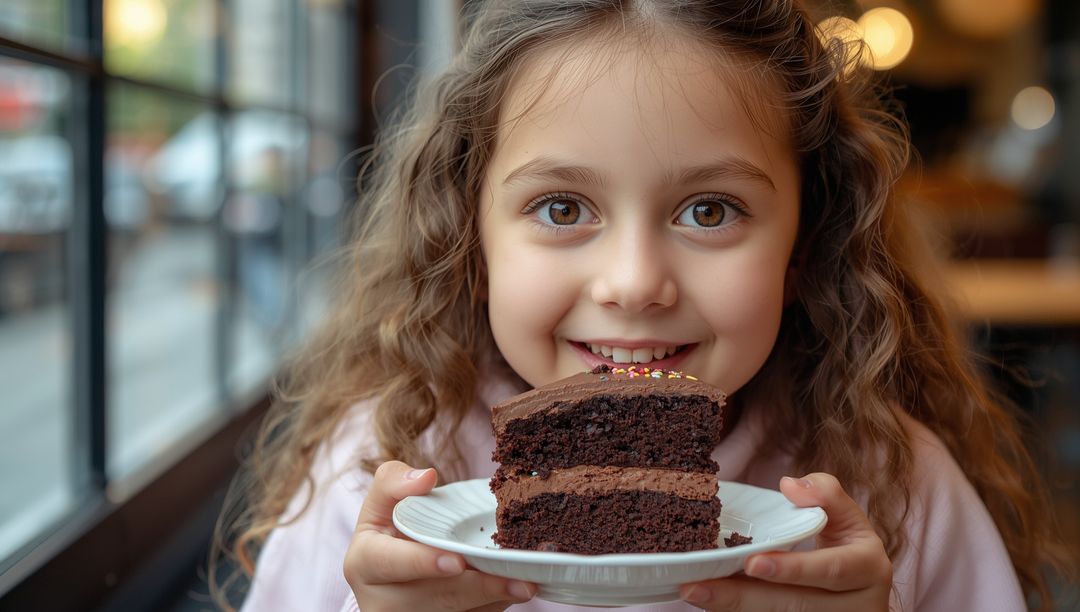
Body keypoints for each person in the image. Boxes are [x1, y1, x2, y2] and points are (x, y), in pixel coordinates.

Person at [211, 1, 1072, 610]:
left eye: (709, 211)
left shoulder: (890, 486)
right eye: (561, 208)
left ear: (807, 247)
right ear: (468, 242)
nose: (632, 282)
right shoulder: (380, 473)